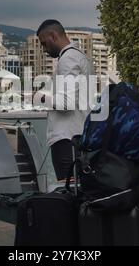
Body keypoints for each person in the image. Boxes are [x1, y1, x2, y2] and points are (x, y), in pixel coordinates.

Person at [36, 20, 94, 181]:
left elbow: (66, 103)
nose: (44, 49)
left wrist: (39, 98)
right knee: (80, 191)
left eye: (44, 43)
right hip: (79, 135)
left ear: (53, 35)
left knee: (68, 191)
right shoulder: (80, 57)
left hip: (66, 139)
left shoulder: (67, 60)